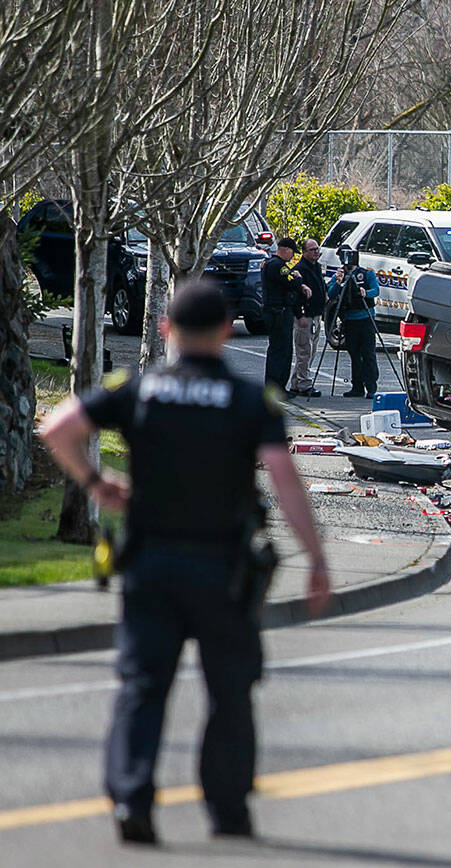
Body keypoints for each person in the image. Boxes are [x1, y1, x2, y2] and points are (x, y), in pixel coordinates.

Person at [39, 280, 331, 845]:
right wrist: (316, 556)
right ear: (226, 331)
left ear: (167, 329)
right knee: (229, 688)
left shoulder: (139, 388)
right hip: (223, 567)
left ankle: (132, 801)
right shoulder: (250, 400)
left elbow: (57, 429)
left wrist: (97, 483)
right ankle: (227, 810)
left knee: (143, 686)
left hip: (150, 562)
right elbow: (282, 474)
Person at [327, 244, 379, 398]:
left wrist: (366, 292)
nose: (345, 261)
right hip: (349, 319)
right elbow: (331, 294)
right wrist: (338, 281)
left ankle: (371, 387)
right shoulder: (339, 275)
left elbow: (376, 290)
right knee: (354, 354)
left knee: (368, 353)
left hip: (365, 317)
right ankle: (357, 387)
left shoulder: (366, 274)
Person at [260, 237, 309, 392]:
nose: (292, 256)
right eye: (292, 252)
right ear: (285, 249)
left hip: (275, 312)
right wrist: (299, 278)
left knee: (279, 350)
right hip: (279, 313)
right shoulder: (278, 266)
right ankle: (277, 388)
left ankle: (277, 387)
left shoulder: (269, 263)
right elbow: (291, 283)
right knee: (281, 352)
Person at [288, 238, 327, 397]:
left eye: (317, 249)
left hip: (316, 315)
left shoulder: (316, 267)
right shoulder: (300, 270)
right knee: (304, 350)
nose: (316, 252)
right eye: (312, 250)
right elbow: (296, 296)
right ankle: (304, 384)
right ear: (304, 252)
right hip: (305, 316)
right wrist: (301, 314)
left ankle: (296, 382)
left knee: (311, 351)